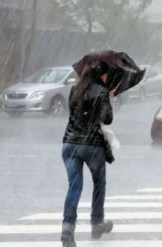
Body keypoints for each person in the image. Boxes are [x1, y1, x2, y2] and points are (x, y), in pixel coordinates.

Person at [61, 61, 114, 246]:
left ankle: (67, 227)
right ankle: (97, 223)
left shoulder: (74, 89)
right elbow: (107, 118)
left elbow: (75, 113)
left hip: (69, 143)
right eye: (106, 75)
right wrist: (107, 98)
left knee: (74, 187)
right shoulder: (101, 91)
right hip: (91, 145)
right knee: (99, 183)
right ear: (102, 75)